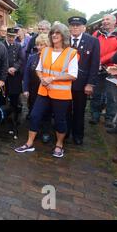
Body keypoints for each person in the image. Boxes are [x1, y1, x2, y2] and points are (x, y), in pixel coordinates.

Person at [15, 23, 78, 158]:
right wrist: (42, 78)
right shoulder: (45, 51)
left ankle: (59, 145)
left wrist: (52, 79)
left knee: (60, 120)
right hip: (43, 92)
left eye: (57, 33)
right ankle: (29, 143)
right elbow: (38, 69)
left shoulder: (71, 53)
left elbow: (73, 75)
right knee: (34, 115)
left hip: (61, 94)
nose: (54, 35)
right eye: (53, 33)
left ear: (64, 36)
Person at [65, 16, 100, 145]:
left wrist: (90, 84)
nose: (75, 27)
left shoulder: (92, 41)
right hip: (64, 82)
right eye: (73, 25)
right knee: (65, 109)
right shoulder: (64, 40)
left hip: (82, 83)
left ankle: (78, 135)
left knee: (79, 110)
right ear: (69, 27)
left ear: (84, 28)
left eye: (78, 25)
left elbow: (94, 64)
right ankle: (65, 132)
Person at [90, 14, 117, 127]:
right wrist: (95, 62)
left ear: (114, 21)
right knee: (96, 94)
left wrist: (101, 60)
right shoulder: (97, 33)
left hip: (114, 70)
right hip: (98, 68)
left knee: (112, 96)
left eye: (107, 19)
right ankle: (95, 115)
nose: (104, 21)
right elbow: (91, 47)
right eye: (103, 20)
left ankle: (109, 119)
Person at [23, 34, 51, 142]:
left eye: (42, 45)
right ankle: (35, 130)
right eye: (37, 45)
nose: (39, 47)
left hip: (46, 88)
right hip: (33, 89)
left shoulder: (51, 58)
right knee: (33, 111)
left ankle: (45, 131)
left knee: (46, 111)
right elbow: (26, 74)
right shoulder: (32, 57)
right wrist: (25, 89)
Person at [4, 27, 24, 122]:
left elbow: (21, 59)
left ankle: (15, 117)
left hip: (15, 76)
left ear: (16, 36)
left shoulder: (18, 45)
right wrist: (7, 68)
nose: (11, 38)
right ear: (6, 35)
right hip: (4, 75)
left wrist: (15, 68)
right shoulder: (1, 45)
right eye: (9, 36)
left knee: (15, 97)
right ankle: (3, 116)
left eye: (13, 36)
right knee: (3, 97)